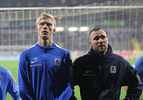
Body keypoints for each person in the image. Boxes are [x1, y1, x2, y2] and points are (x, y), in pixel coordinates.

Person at [73, 27, 143, 100]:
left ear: (107, 40)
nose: (100, 40)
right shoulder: (80, 63)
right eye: (96, 38)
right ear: (90, 43)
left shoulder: (120, 63)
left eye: (103, 37)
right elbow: (66, 85)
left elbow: (136, 85)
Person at [18, 13, 76, 100]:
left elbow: (69, 85)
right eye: (41, 24)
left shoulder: (64, 54)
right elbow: (23, 88)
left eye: (49, 24)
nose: (45, 26)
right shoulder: (26, 55)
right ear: (36, 29)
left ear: (54, 30)